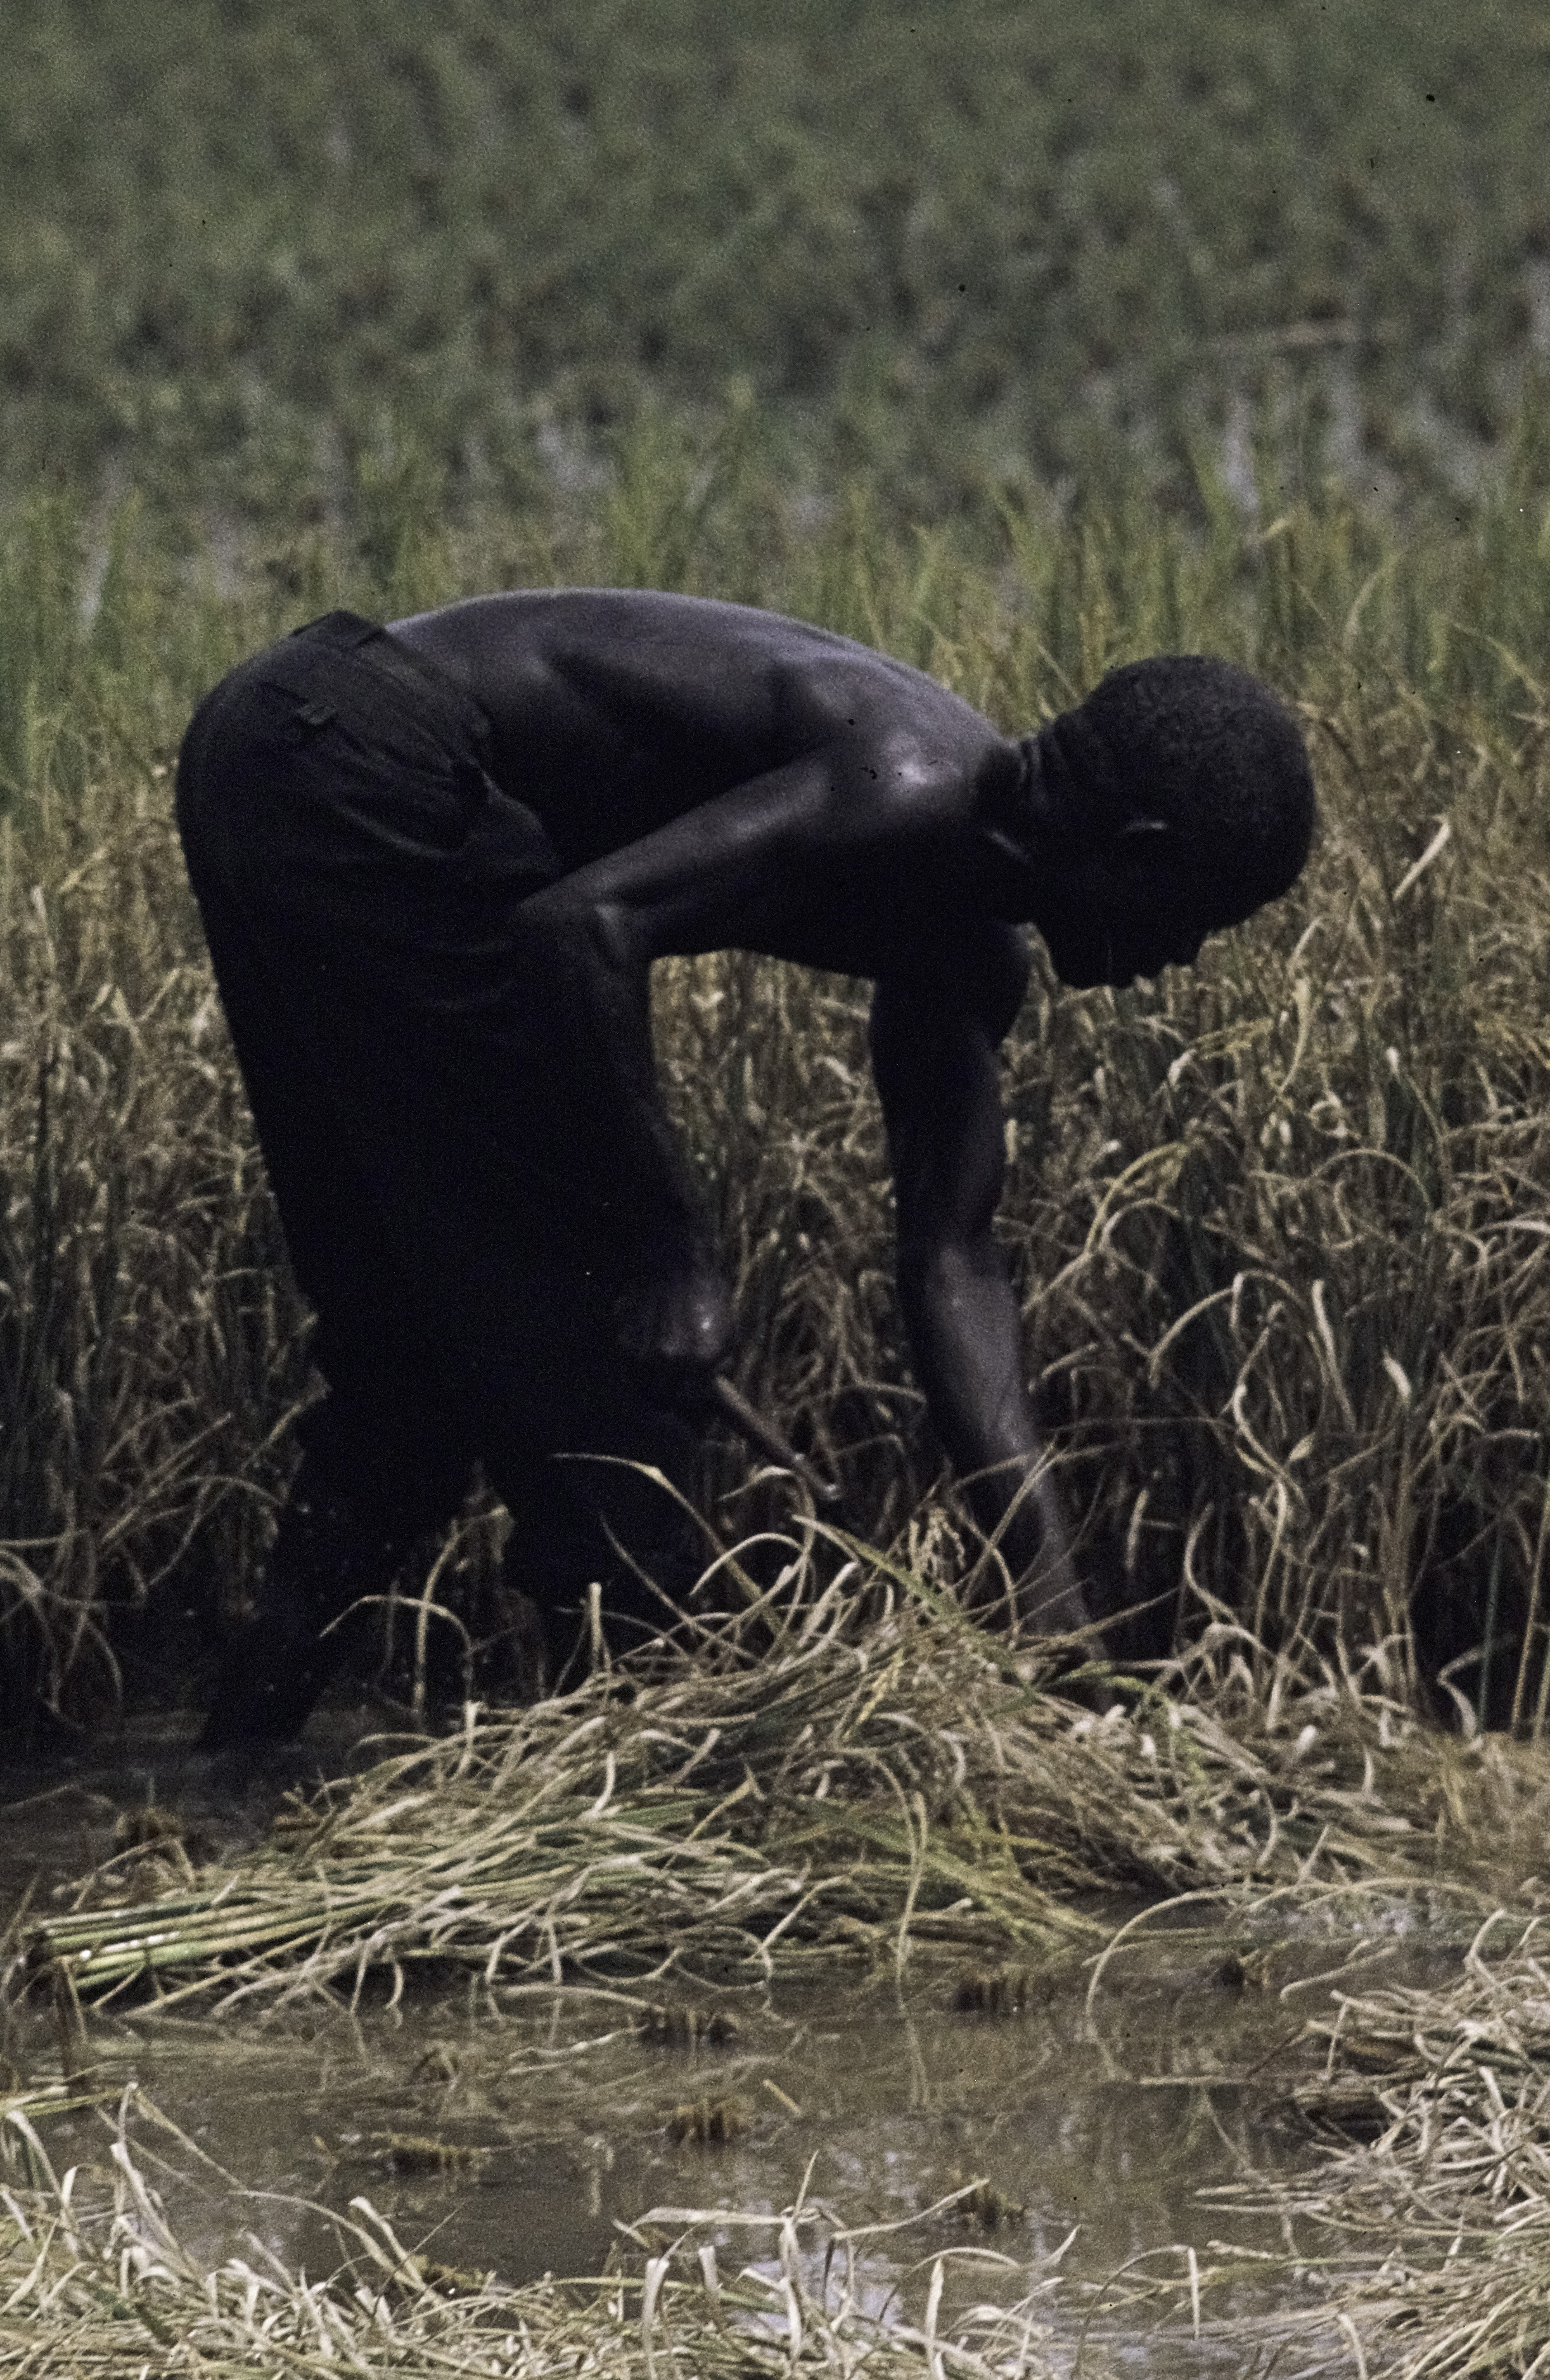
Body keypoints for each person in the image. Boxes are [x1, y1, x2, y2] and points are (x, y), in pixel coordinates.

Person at [175, 591, 1315, 1747]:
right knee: (619, 1454)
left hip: (277, 742)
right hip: (369, 756)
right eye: (1197, 921)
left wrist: (1054, 1620)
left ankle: (219, 1793)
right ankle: (621, 1867)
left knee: (405, 1378)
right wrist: (670, 1256)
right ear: (1139, 856)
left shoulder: (965, 945)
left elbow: (953, 1263)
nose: (1177, 960)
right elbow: (580, 930)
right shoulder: (912, 783)